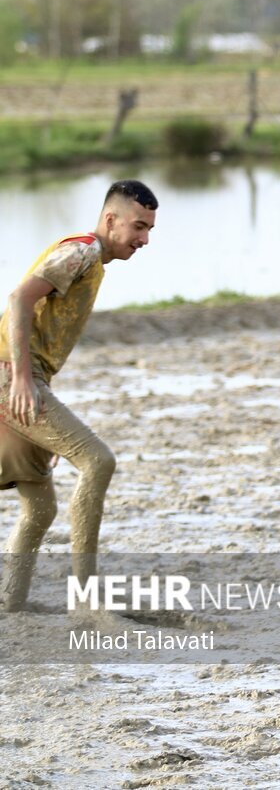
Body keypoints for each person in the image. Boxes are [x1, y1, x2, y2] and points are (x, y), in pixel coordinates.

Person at [0, 180, 158, 610]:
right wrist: (20, 382)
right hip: (12, 378)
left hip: (27, 380)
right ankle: (87, 602)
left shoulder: (94, 261)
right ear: (110, 220)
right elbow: (18, 298)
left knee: (39, 507)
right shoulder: (84, 250)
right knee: (98, 460)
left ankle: (11, 604)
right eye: (138, 227)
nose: (144, 239)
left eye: (149, 231)